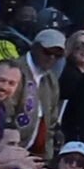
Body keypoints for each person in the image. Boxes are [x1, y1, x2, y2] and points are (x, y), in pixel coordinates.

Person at [13, 28, 63, 161]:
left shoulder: (51, 80)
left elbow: (51, 123)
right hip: (11, 150)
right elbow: (6, 112)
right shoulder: (15, 70)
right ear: (34, 47)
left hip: (36, 154)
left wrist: (47, 156)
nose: (52, 58)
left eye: (57, 55)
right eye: (47, 52)